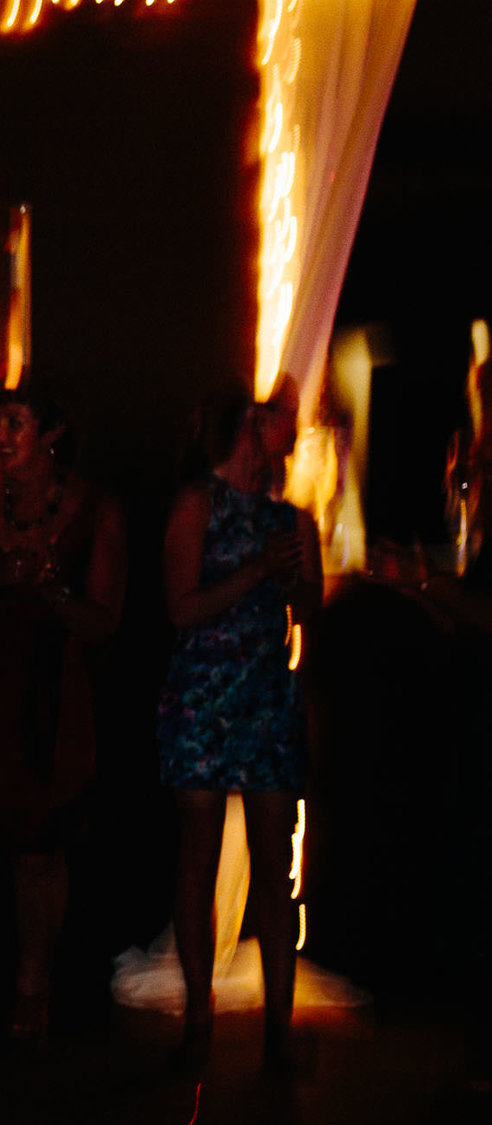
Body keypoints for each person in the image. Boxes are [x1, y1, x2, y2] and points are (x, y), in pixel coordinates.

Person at [0, 386, 126, 1041]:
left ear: (51, 432)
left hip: (50, 698)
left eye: (14, 424)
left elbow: (104, 622)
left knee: (38, 852)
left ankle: (34, 990)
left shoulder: (97, 509)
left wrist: (50, 590)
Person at [158, 386, 322, 1069]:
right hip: (203, 691)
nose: (297, 427)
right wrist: (256, 571)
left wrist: (292, 576)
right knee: (198, 853)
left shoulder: (293, 518)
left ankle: (277, 1033)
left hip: (263, 694)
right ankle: (200, 1015)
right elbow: (180, 606)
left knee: (271, 858)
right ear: (252, 423)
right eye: (286, 416)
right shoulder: (197, 503)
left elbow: (308, 607)